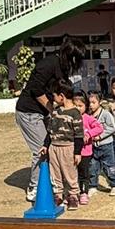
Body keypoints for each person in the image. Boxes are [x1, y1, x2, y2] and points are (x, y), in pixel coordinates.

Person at [15, 36, 86, 202]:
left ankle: (55, 184)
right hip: (29, 112)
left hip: (44, 112)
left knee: (54, 145)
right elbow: (35, 89)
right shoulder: (48, 64)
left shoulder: (63, 67)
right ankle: (34, 187)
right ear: (70, 56)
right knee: (42, 149)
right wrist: (53, 111)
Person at [40, 80, 84, 211]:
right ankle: (58, 195)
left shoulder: (75, 113)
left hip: (68, 148)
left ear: (61, 96)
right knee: (55, 172)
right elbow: (50, 131)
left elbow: (79, 135)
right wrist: (45, 145)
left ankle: (73, 195)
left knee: (70, 172)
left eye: (54, 96)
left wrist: (77, 152)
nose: (53, 99)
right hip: (54, 147)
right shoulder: (55, 112)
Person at [87, 91, 115, 196]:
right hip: (93, 146)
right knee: (93, 167)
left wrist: (100, 136)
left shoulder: (106, 114)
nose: (91, 105)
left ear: (100, 102)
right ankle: (93, 186)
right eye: (89, 103)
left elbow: (112, 128)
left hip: (106, 146)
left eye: (93, 102)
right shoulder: (88, 115)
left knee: (109, 166)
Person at [75, 90, 103, 205]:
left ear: (86, 106)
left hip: (85, 152)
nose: (77, 108)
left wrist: (89, 134)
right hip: (71, 151)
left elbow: (99, 128)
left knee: (83, 173)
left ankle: (83, 192)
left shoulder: (87, 118)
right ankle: (72, 193)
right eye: (75, 105)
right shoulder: (69, 118)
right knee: (72, 173)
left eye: (80, 106)